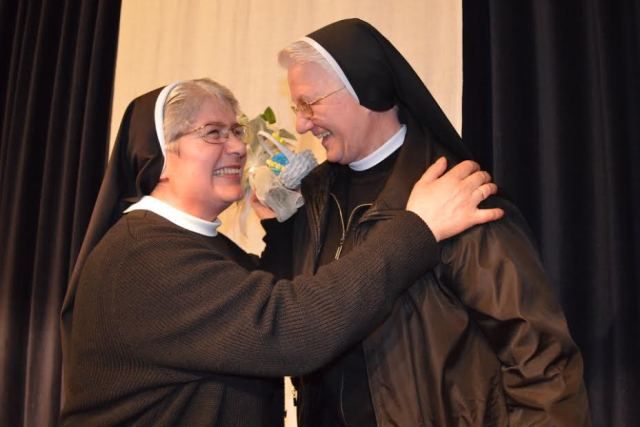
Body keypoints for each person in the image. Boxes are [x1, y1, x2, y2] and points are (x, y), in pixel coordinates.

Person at [59, 78, 501, 426]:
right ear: (159, 157)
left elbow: (265, 301)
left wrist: (283, 229)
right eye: (213, 133)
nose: (238, 146)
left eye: (236, 130)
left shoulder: (191, 243)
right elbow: (289, 329)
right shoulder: (142, 257)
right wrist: (417, 228)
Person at [275, 18, 591, 426]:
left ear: (367, 87)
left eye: (309, 104)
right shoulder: (317, 198)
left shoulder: (457, 194)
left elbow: (541, 362)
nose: (301, 124)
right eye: (297, 107)